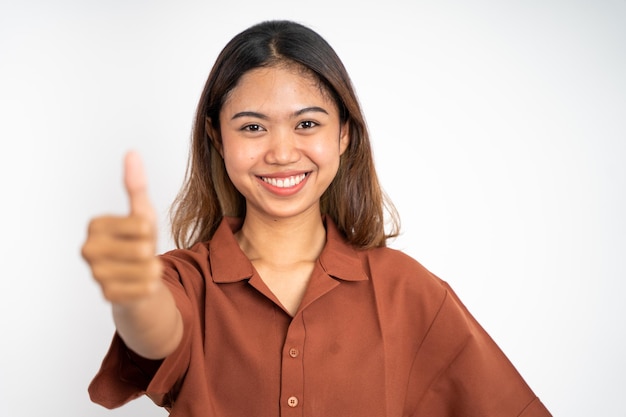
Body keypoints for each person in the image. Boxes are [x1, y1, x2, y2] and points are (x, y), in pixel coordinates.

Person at [81, 20, 552, 417]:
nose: (283, 152)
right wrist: (135, 292)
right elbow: (157, 328)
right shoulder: (184, 281)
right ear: (216, 137)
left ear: (344, 133)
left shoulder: (406, 290)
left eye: (307, 124)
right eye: (252, 127)